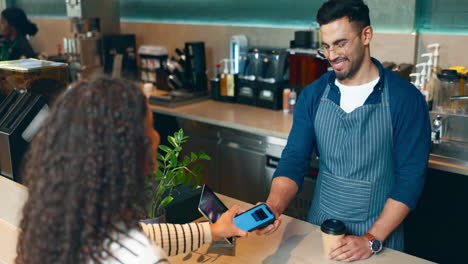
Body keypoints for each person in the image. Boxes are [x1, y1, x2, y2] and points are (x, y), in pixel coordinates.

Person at [258, 0, 430, 262]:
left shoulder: (405, 99)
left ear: (366, 36)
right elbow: (294, 159)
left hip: (379, 241)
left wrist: (371, 240)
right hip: (322, 233)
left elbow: (410, 180)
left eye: (340, 43)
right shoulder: (314, 94)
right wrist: (273, 206)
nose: (331, 55)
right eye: (326, 46)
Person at [15, 77, 247, 264]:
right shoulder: (142, 257)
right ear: (129, 151)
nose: (157, 136)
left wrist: (214, 230)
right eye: (150, 126)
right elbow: (139, 243)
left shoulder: (60, 220)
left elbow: (143, 234)